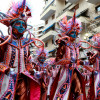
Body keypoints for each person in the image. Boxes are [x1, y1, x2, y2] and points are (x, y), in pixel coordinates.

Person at [0, 0, 44, 100]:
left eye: (23, 24)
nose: (21, 27)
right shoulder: (4, 41)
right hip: (7, 79)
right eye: (18, 24)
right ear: (11, 26)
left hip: (23, 79)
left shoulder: (26, 43)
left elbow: (27, 61)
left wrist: (32, 71)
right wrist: (6, 69)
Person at [50, 12, 86, 100]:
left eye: (76, 33)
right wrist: (69, 61)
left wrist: (81, 62)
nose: (74, 35)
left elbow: (76, 60)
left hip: (75, 72)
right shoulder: (63, 44)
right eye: (72, 32)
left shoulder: (76, 46)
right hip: (65, 73)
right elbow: (57, 61)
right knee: (62, 95)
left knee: (79, 92)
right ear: (68, 33)